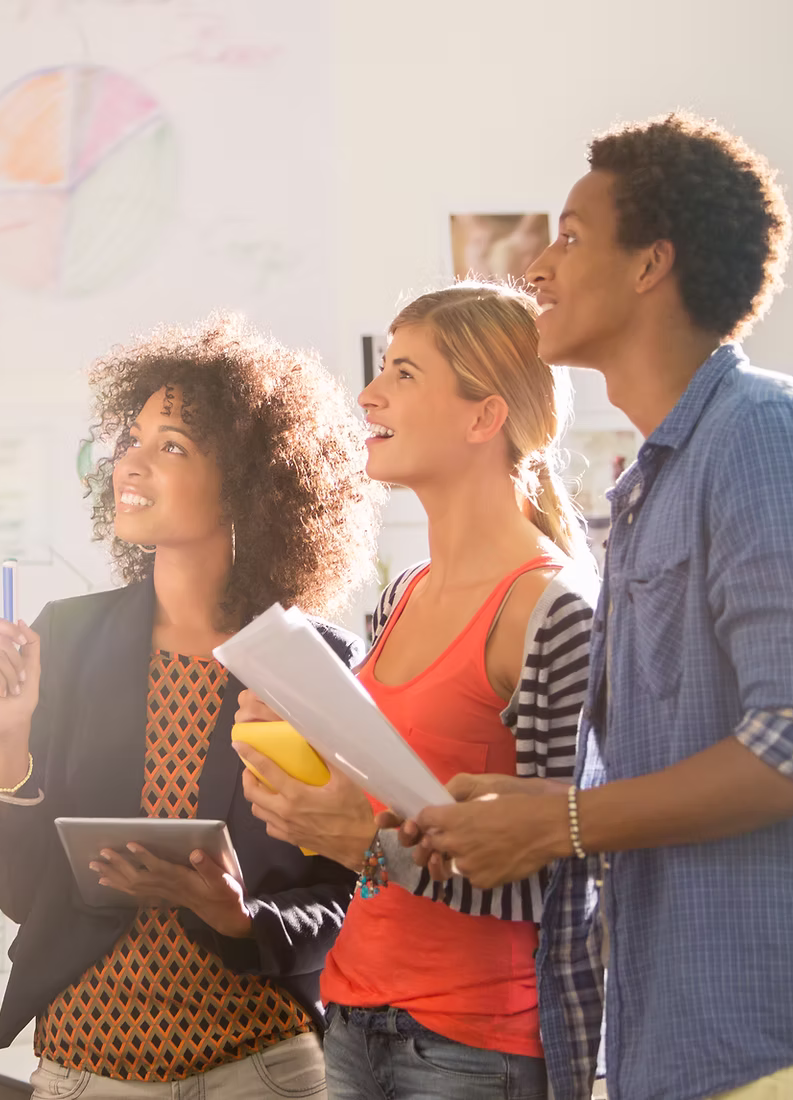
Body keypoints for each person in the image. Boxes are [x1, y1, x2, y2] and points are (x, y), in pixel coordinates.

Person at [413, 113, 793, 1099]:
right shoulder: (658, 479)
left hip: (777, 1046)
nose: (539, 263)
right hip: (679, 1042)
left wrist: (563, 820)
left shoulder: (768, 437)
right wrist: (548, 812)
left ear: (652, 264)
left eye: (571, 235)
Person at [0, 314, 383, 1099]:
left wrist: (242, 918)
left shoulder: (315, 664)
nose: (131, 461)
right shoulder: (69, 638)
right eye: (132, 437)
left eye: (173, 446)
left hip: (260, 1069)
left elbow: (351, 892)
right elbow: (22, 895)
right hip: (84, 1071)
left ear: (252, 486)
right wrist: (7, 745)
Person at [238, 282, 601, 1099]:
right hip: (354, 1014)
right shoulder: (402, 592)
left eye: (403, 373)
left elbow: (571, 873)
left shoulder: (551, 611)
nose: (370, 394)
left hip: (478, 1043)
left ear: (484, 417)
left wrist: (365, 844)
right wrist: (297, 758)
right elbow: (391, 802)